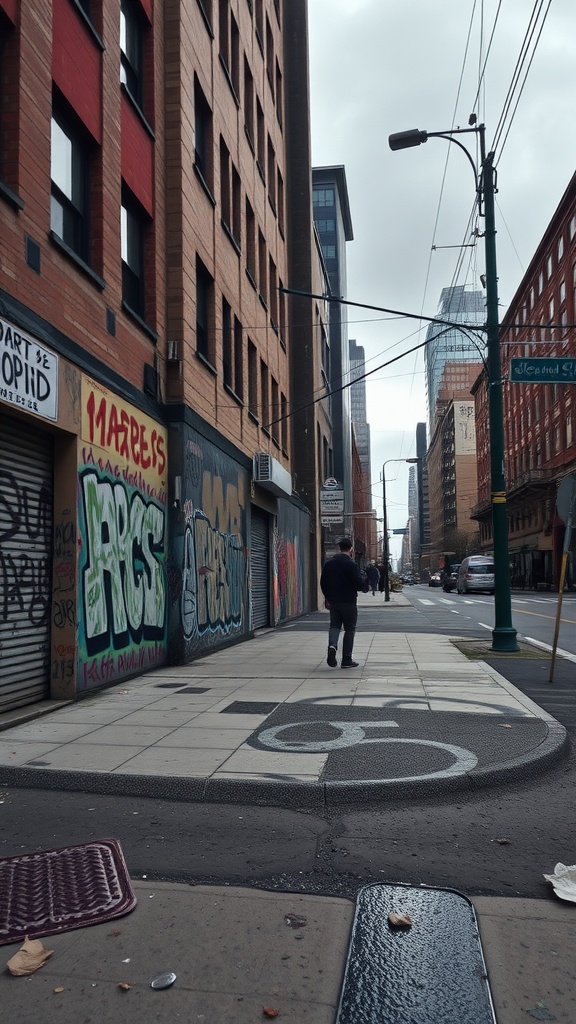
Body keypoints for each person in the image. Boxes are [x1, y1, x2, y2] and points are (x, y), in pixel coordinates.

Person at [320, 538, 366, 669]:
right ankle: (346, 659)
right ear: (351, 549)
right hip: (349, 601)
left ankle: (332, 645)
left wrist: (327, 597)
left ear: (339, 548)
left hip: (334, 601)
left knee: (334, 626)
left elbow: (323, 582)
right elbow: (358, 584)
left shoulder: (329, 564)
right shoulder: (351, 564)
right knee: (349, 629)